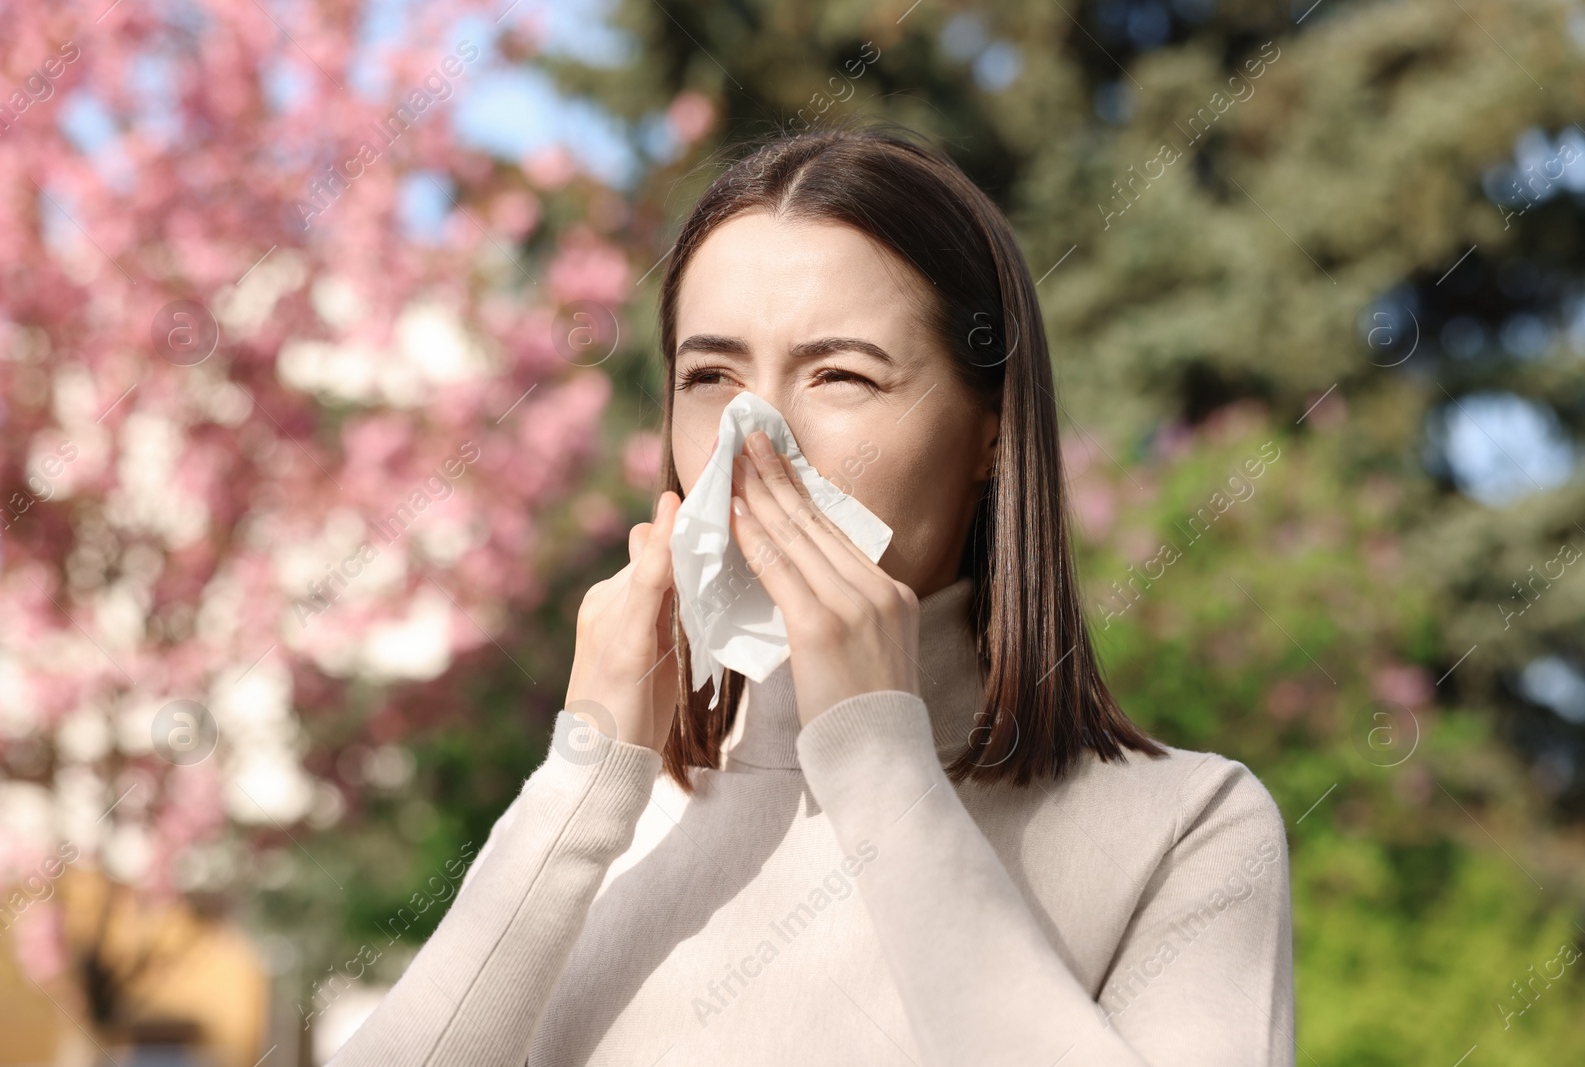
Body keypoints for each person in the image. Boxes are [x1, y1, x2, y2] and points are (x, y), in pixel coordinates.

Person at [332, 123, 1294, 1067]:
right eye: (710, 376)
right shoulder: (606, 817)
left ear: (991, 434)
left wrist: (879, 757)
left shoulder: (1187, 827)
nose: (756, 440)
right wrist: (581, 782)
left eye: (840, 374)